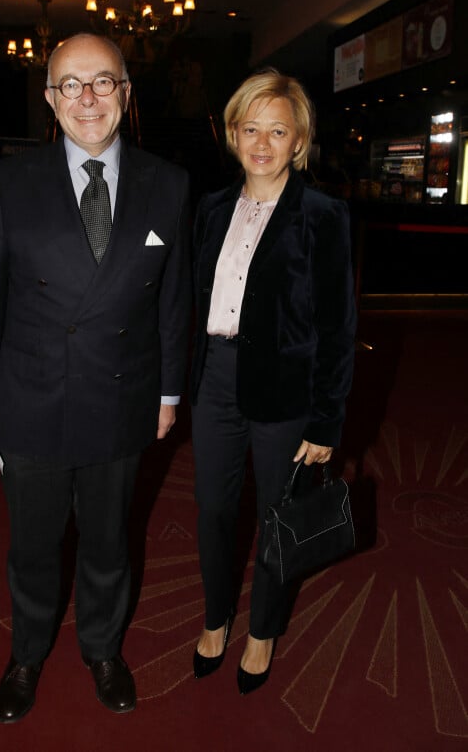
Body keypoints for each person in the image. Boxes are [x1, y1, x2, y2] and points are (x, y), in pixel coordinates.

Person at [0, 33, 191, 722]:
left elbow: (175, 300)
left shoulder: (168, 184)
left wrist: (170, 391)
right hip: (30, 397)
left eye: (102, 82)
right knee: (33, 545)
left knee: (108, 540)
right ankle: (26, 652)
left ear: (125, 91)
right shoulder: (11, 182)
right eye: (70, 84)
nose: (87, 98)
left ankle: (102, 648)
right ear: (51, 100)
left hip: (123, 394)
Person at [189, 68, 356, 695]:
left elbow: (339, 326)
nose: (263, 142)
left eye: (278, 130)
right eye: (251, 127)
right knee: (212, 510)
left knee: (276, 515)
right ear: (233, 133)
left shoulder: (323, 215)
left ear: (299, 140)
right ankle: (214, 617)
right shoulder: (209, 209)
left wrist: (325, 419)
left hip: (286, 390)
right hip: (215, 379)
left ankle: (260, 631)